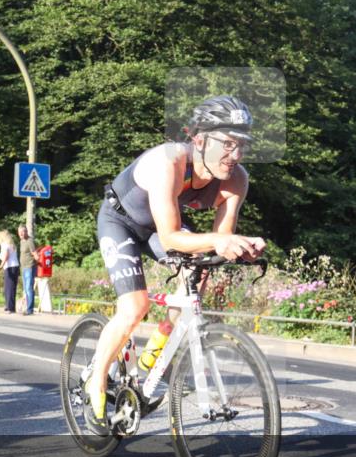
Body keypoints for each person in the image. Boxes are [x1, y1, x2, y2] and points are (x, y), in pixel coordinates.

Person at [84, 96, 265, 435]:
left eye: (241, 145)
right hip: (121, 221)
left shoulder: (235, 178)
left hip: (157, 226)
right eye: (227, 144)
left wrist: (242, 246)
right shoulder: (168, 161)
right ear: (199, 140)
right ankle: (95, 384)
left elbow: (219, 239)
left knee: (201, 269)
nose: (236, 155)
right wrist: (219, 242)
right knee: (135, 307)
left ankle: (153, 357)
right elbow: (169, 238)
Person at [0, 229, 20, 314]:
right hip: (16, 266)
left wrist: (0, 267)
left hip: (9, 267)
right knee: (12, 287)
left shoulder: (4, 245)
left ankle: (9, 307)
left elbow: (6, 257)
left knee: (8, 288)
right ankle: (11, 307)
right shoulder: (12, 244)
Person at [17, 224, 37, 315]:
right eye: (20, 232)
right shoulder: (21, 241)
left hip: (29, 266)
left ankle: (30, 309)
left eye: (23, 231)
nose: (21, 233)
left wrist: (40, 260)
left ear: (26, 232)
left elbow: (34, 253)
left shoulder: (30, 241)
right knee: (26, 288)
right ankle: (28, 308)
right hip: (23, 267)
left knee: (29, 288)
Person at [35, 243, 54, 313]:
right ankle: (45, 308)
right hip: (46, 272)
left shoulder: (42, 251)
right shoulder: (47, 251)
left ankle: (44, 308)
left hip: (42, 272)